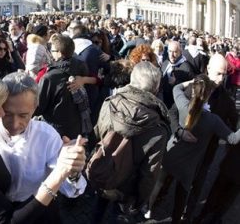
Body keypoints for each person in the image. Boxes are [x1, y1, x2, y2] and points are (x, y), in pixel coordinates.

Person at [0, 67, 86, 223]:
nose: (14, 122)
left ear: (35, 108)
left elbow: (71, 189)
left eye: (23, 115)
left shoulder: (47, 136)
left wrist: (73, 172)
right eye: (6, 112)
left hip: (38, 214)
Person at [156, 75, 240, 224]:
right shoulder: (213, 119)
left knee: (159, 182)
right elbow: (233, 138)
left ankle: (148, 209)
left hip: (176, 156)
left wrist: (188, 81)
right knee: (180, 195)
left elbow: (176, 89)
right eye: (219, 73)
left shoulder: (185, 104)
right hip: (190, 166)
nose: (222, 77)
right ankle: (176, 218)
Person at [93, 62, 170, 223]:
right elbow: (150, 173)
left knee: (98, 209)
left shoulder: (109, 102)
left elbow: (98, 133)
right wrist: (140, 201)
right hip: (127, 189)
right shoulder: (158, 129)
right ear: (156, 88)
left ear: (132, 80)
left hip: (104, 169)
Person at [36, 34, 91, 139]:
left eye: (52, 51)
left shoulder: (49, 77)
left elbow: (39, 106)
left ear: (59, 53)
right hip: (76, 126)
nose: (51, 54)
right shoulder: (81, 66)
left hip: (55, 129)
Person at [160, 41, 195, 108]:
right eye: (170, 51)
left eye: (175, 52)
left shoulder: (186, 68)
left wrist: (176, 82)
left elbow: (191, 87)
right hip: (164, 102)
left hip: (176, 105)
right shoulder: (165, 63)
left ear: (180, 52)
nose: (172, 55)